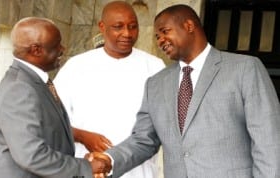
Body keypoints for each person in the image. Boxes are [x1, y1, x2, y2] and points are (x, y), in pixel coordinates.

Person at [89, 4, 280, 178]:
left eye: (164, 32)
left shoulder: (244, 69)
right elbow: (143, 140)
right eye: (157, 37)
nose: (161, 40)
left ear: (189, 26)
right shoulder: (155, 84)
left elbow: (269, 141)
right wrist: (110, 160)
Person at [0, 17, 110, 178]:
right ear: (36, 50)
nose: (63, 49)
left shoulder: (35, 81)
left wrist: (81, 142)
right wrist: (84, 167)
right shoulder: (19, 89)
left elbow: (47, 131)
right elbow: (32, 156)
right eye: (56, 45)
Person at [53, 1, 165, 178]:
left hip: (138, 170)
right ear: (102, 27)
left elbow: (162, 122)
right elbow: (52, 119)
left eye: (133, 26)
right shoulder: (77, 66)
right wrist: (83, 136)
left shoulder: (154, 66)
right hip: (88, 167)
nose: (127, 33)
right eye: (118, 27)